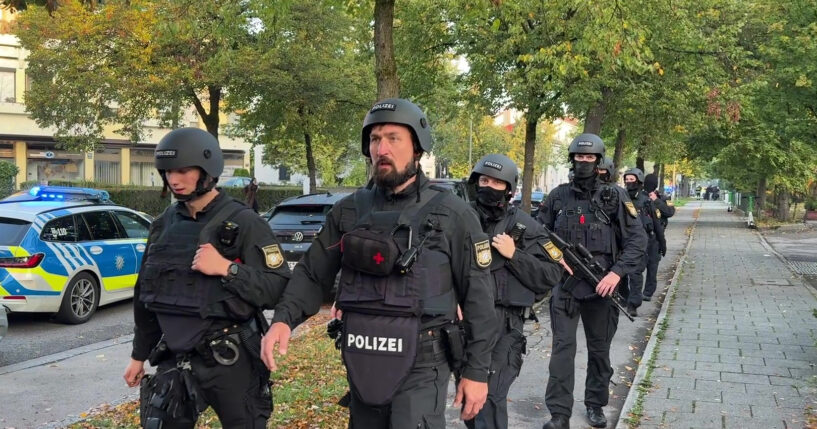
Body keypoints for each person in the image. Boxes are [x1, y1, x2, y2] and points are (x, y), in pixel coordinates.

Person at [260, 98, 498, 429]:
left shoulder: (454, 216)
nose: (381, 148)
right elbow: (313, 274)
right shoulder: (349, 211)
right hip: (363, 358)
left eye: (392, 138)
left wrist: (475, 372)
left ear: (417, 147)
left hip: (423, 363)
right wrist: (283, 320)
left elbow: (479, 301)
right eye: (374, 139)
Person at [123, 127, 291, 429]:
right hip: (175, 355)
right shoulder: (162, 225)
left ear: (207, 170)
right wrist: (139, 356)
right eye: (168, 172)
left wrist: (228, 269)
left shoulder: (244, 222)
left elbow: (277, 285)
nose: (174, 180)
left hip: (230, 356)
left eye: (184, 171)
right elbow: (145, 297)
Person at [536, 133, 647, 429]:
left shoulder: (615, 196)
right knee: (562, 350)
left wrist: (616, 273)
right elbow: (537, 232)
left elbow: (638, 240)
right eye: (579, 157)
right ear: (572, 159)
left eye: (589, 158)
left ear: (599, 161)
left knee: (599, 352)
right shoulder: (558, 196)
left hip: (603, 287)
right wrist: (554, 255)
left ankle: (596, 404)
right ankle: (559, 413)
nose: (583, 162)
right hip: (566, 286)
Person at [465, 154, 568, 429]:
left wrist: (514, 255)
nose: (488, 186)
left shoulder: (524, 225)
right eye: (484, 180)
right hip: (464, 324)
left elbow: (551, 273)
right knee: (470, 401)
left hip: (504, 325)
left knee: (489, 397)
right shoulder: (461, 219)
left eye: (497, 182)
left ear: (509, 189)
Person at [621, 168, 665, 317]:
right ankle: (623, 298)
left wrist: (662, 242)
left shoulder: (646, 201)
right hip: (622, 240)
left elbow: (656, 222)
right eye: (626, 180)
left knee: (635, 273)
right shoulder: (621, 197)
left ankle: (633, 303)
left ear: (639, 181)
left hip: (641, 242)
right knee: (620, 273)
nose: (628, 182)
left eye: (632, 180)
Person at [642, 173, 675, 301]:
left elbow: (668, 212)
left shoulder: (660, 197)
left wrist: (656, 200)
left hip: (655, 237)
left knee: (652, 266)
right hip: (641, 236)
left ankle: (647, 293)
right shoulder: (639, 196)